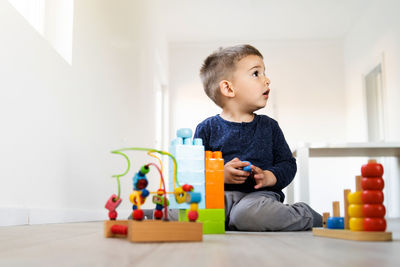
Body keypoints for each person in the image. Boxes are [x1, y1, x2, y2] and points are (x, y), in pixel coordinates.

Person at [194, 44, 322, 231]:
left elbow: (287, 164)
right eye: (256, 73)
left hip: (258, 200)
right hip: (217, 199)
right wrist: (219, 175)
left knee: (248, 215)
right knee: (188, 213)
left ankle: (308, 215)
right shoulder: (206, 128)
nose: (267, 80)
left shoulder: (269, 127)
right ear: (228, 88)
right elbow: (193, 172)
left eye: (264, 73)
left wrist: (270, 177)